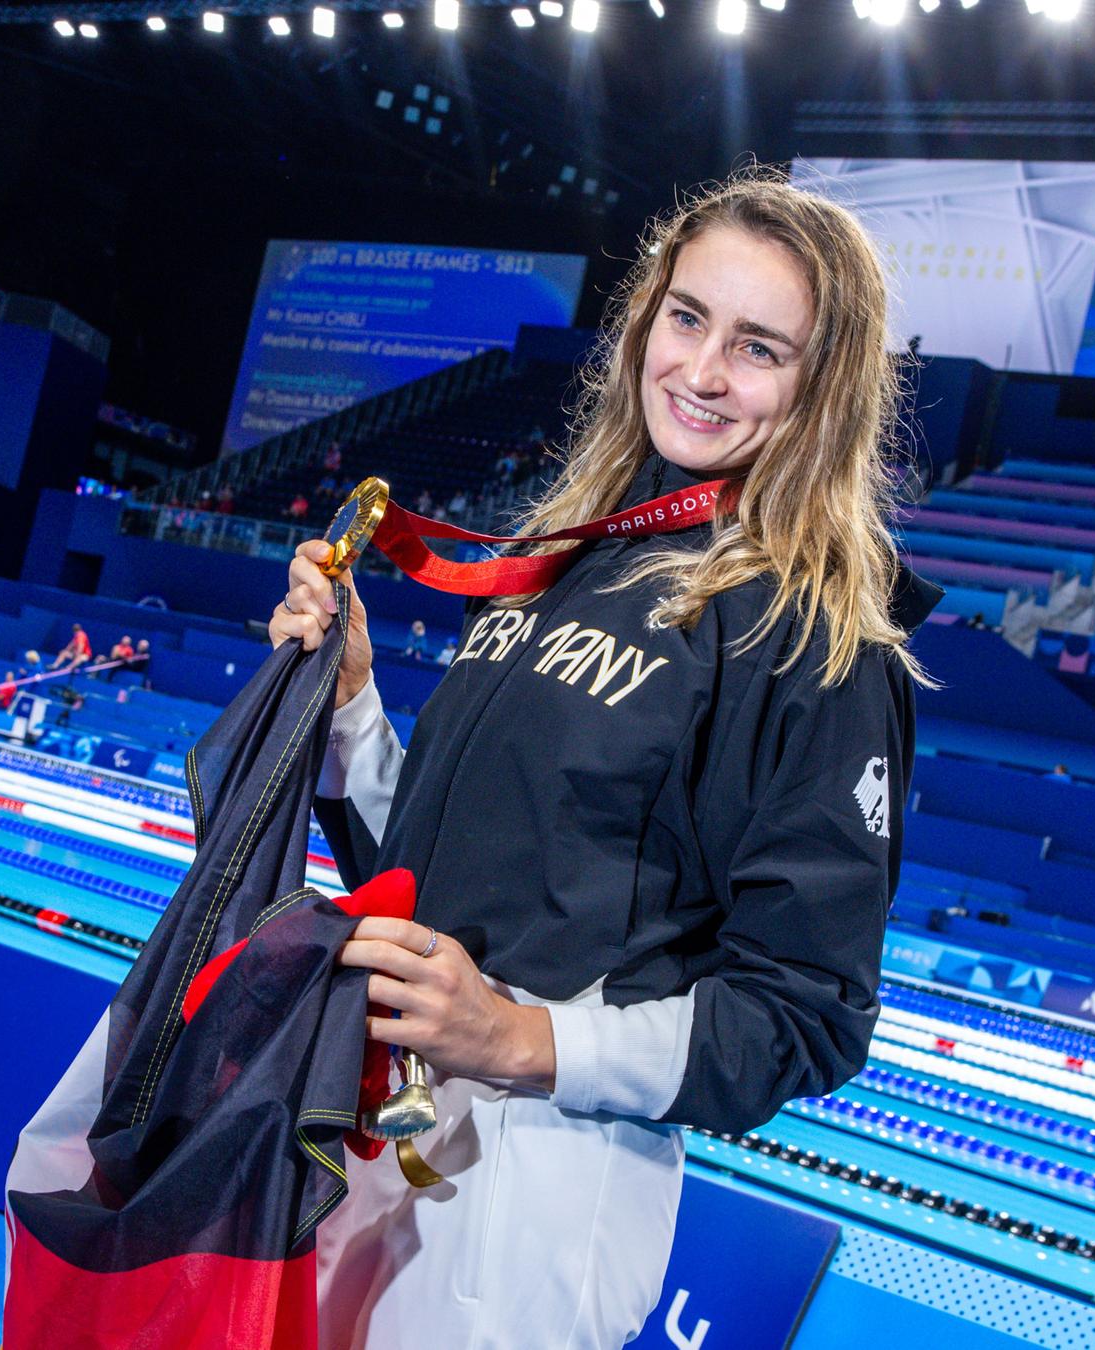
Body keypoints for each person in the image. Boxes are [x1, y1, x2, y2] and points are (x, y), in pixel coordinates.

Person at [266, 172, 932, 1348]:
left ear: (823, 390)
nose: (704, 371)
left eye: (760, 348)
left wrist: (523, 1039)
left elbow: (806, 1016)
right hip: (378, 1116)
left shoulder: (815, 644)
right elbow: (432, 869)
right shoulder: (563, 557)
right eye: (687, 318)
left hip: (533, 1185)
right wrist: (354, 711)